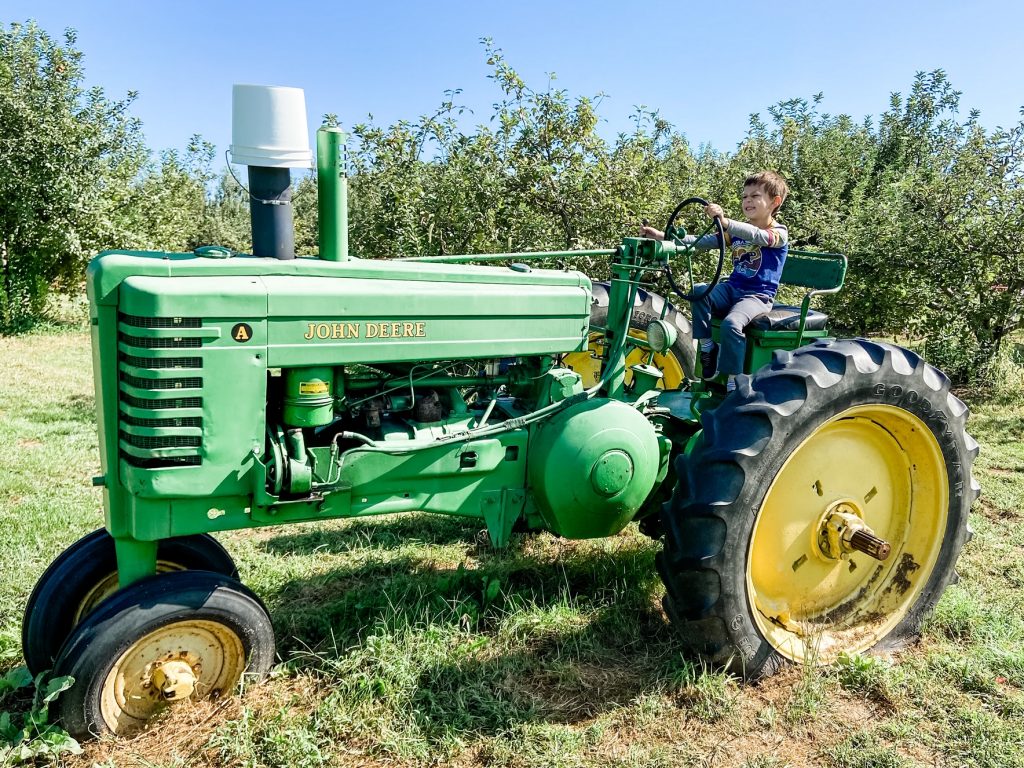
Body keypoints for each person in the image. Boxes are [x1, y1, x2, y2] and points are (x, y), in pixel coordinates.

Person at [641, 171, 789, 391]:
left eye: (755, 196)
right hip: (732, 288)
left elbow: (758, 237)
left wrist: (726, 222)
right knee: (699, 291)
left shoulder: (777, 233)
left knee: (732, 324)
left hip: (757, 296)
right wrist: (664, 237)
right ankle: (707, 347)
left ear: (774, 202)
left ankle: (733, 377)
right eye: (744, 196)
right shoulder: (735, 233)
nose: (747, 201)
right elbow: (701, 242)